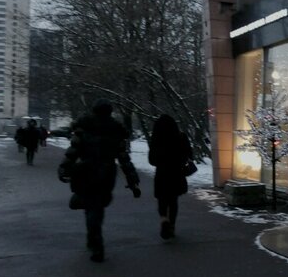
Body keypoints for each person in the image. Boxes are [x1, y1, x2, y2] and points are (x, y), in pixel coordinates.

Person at [57, 100, 142, 262]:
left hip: (86, 172)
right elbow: (124, 158)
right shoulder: (115, 130)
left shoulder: (84, 128)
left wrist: (64, 168)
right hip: (107, 174)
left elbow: (73, 151)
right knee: (98, 206)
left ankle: (95, 240)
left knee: (90, 206)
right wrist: (132, 180)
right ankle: (94, 238)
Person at [147, 114, 193, 240]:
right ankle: (172, 225)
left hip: (162, 174)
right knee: (173, 201)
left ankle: (164, 219)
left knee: (162, 199)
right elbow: (189, 155)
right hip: (177, 174)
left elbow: (152, 160)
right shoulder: (181, 137)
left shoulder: (157, 139)